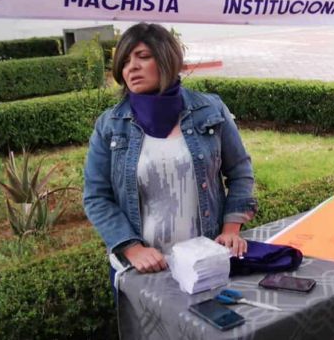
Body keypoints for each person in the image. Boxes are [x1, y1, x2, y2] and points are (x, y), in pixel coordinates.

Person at [83, 22, 257, 281]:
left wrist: (231, 229)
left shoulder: (210, 110)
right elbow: (96, 197)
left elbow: (240, 172)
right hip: (143, 269)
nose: (132, 67)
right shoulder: (110, 126)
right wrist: (132, 249)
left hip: (207, 260)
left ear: (166, 59)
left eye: (143, 56)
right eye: (125, 61)